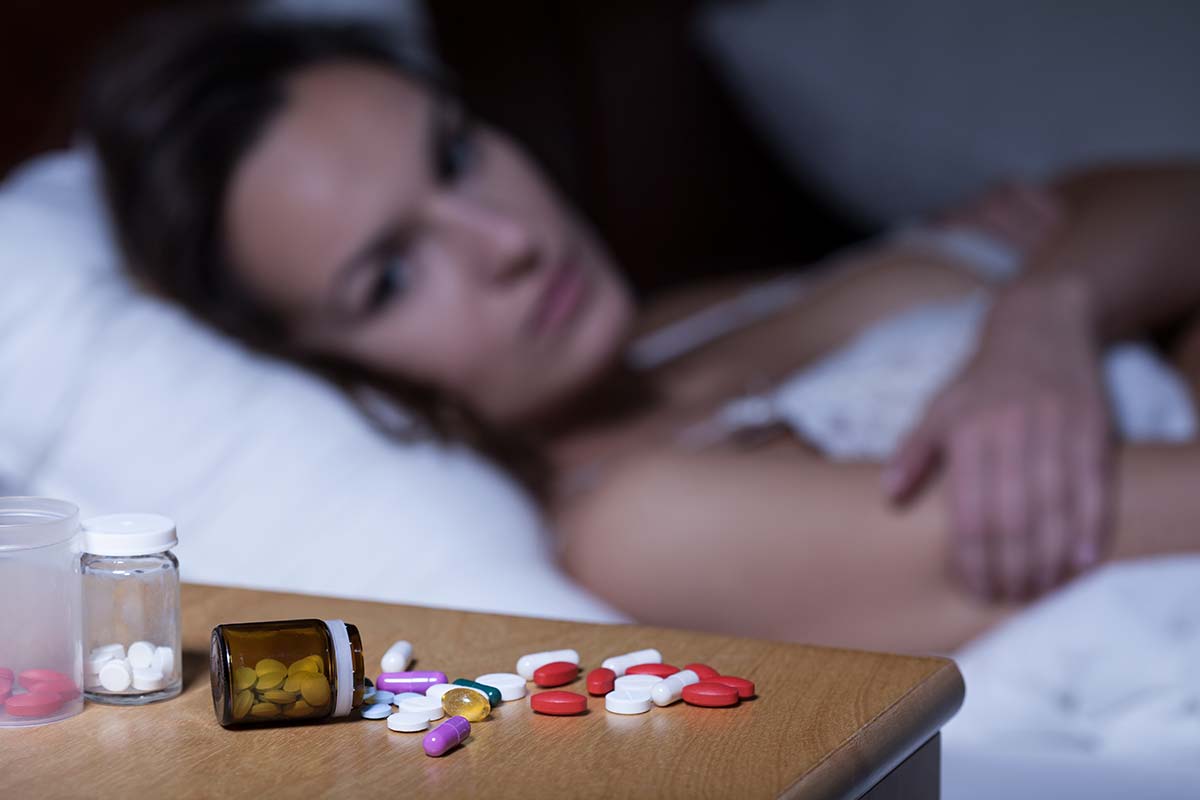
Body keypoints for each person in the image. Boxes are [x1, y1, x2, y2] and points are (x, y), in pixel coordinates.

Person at [83, 12, 1200, 654]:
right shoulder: (645, 523)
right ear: (329, 371)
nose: (507, 240)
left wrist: (1044, 313)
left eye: (458, 153)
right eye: (392, 273)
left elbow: (1151, 191)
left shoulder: (671, 326)